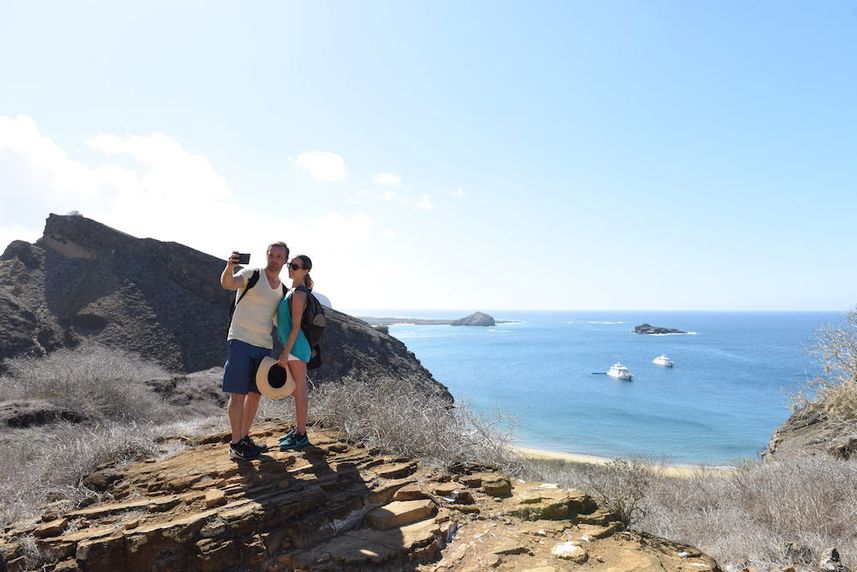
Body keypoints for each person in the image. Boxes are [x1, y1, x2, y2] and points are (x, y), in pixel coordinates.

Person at [220, 242, 288, 460]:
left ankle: (245, 438)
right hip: (240, 340)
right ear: (267, 255)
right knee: (238, 393)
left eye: (279, 256)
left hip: (263, 345)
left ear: (285, 260)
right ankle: (236, 443)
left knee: (255, 395)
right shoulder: (252, 274)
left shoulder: (282, 290)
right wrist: (229, 266)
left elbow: (280, 322)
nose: (275, 259)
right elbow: (228, 283)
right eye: (272, 254)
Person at [276, 254, 314, 450]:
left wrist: (285, 352)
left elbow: (296, 327)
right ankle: (298, 430)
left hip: (297, 347)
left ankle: (301, 435)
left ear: (306, 270)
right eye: (290, 265)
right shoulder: (291, 290)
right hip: (293, 347)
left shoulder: (299, 294)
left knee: (299, 391)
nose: (291, 268)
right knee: (295, 391)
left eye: (296, 266)